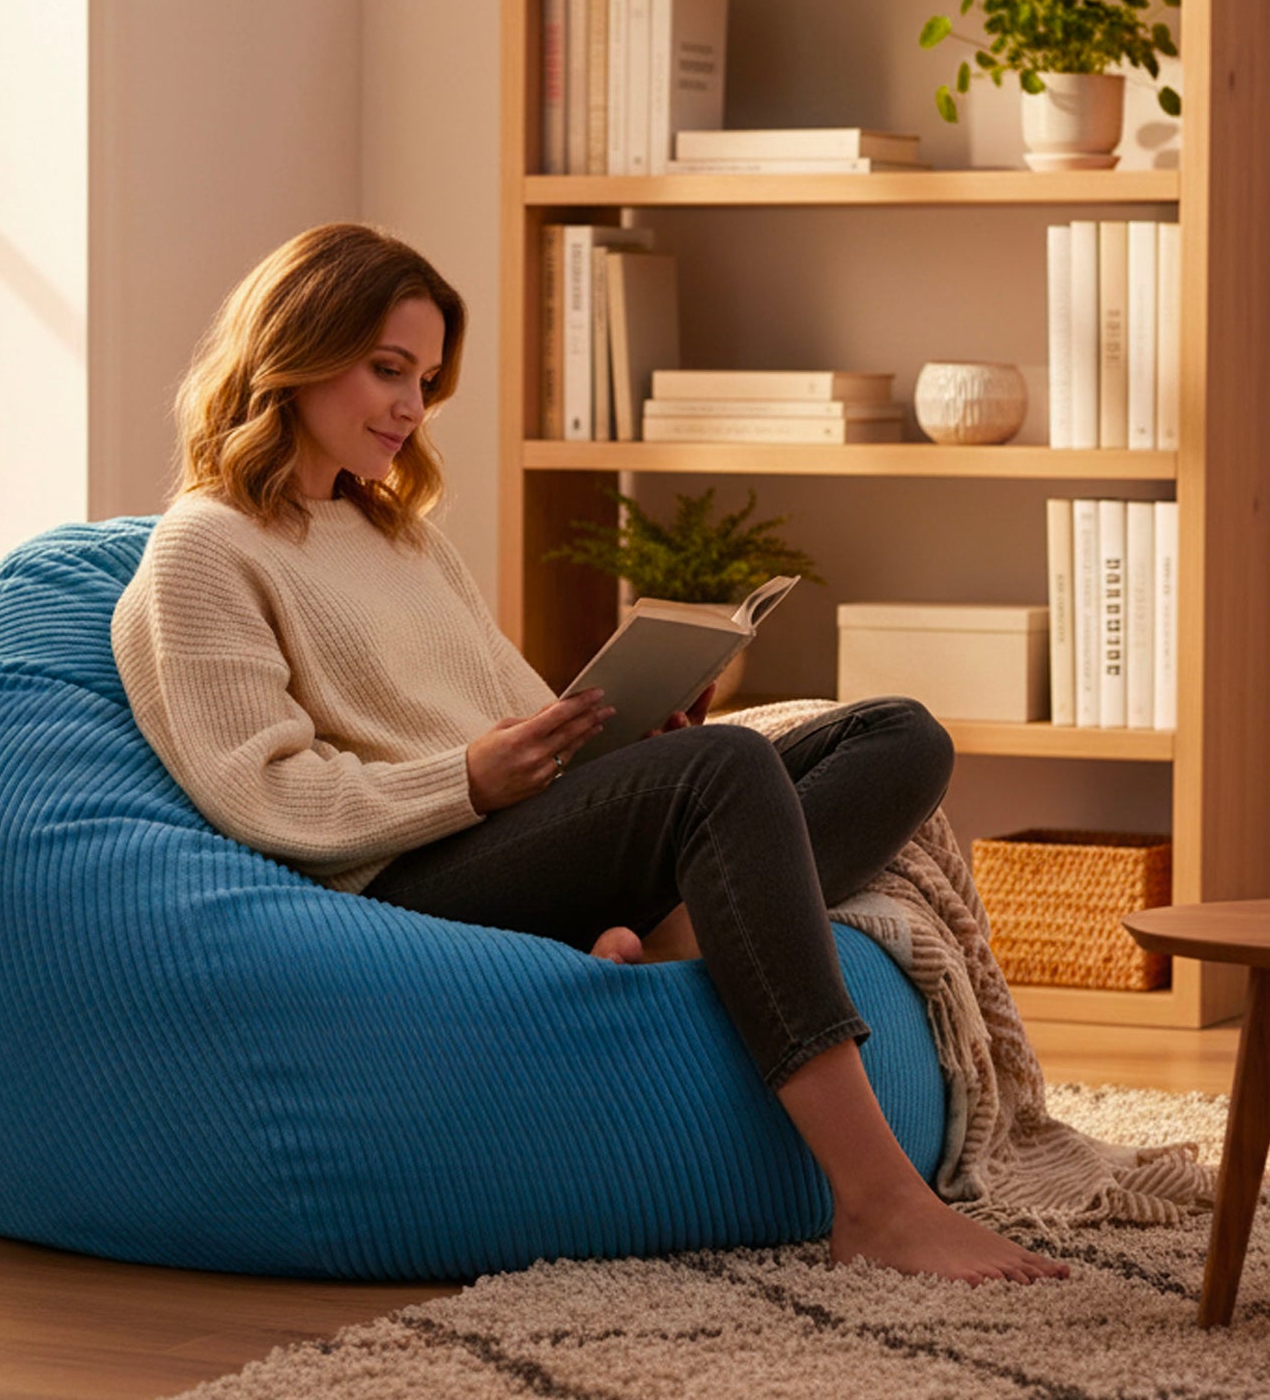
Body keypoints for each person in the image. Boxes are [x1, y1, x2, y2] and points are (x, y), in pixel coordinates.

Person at [112, 222, 1067, 1288]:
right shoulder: (206, 548)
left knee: (897, 737)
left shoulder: (400, 536)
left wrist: (622, 736)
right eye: (387, 370)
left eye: (425, 381)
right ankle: (878, 1198)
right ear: (293, 349)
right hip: (409, 880)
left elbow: (515, 709)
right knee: (727, 779)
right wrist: (468, 778)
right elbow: (262, 793)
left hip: (515, 833)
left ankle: (672, 938)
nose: (409, 409)